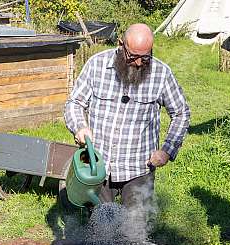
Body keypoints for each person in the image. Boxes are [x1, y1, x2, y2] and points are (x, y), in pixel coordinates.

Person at [65, 23, 190, 209]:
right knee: (100, 228)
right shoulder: (96, 65)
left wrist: (167, 150)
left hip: (139, 168)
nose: (139, 63)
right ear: (120, 44)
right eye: (133, 57)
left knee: (134, 229)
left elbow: (181, 113)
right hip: (98, 165)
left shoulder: (161, 73)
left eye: (145, 57)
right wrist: (80, 126)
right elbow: (74, 103)